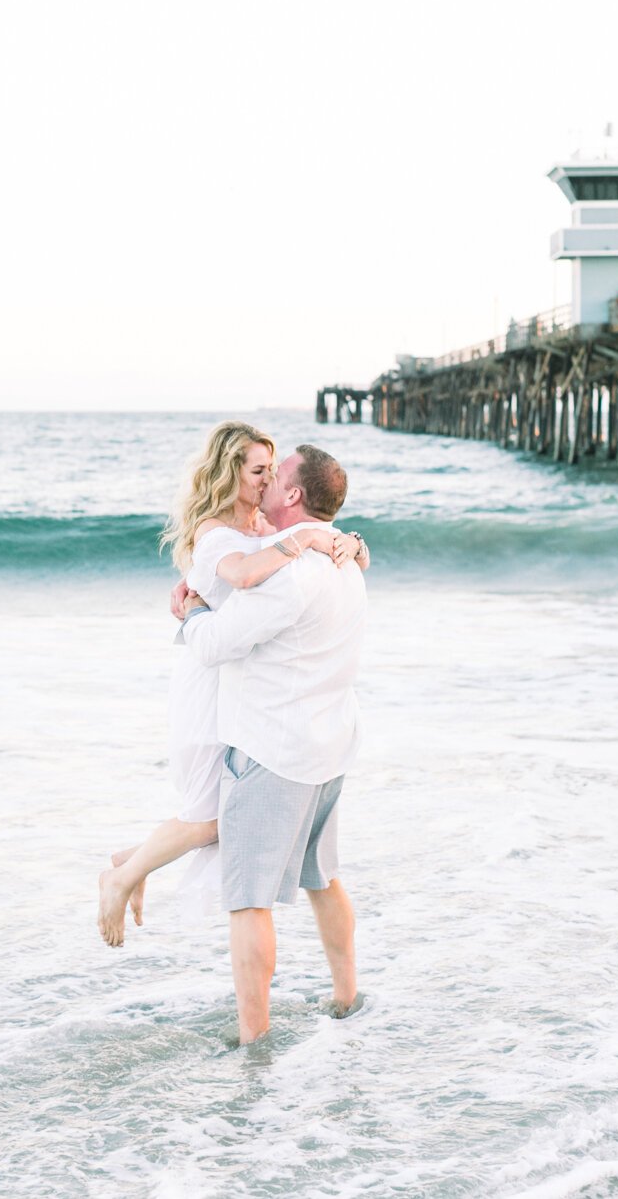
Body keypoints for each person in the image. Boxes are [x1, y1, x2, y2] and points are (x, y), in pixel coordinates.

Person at [97, 422, 367, 948]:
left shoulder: (264, 523)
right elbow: (243, 574)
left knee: (221, 814)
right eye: (257, 470)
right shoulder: (218, 531)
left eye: (272, 469)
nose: (267, 480)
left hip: (246, 686)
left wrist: (347, 540)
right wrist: (305, 538)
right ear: (232, 474)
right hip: (212, 679)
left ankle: (131, 862)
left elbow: (309, 548)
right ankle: (122, 875)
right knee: (212, 816)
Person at [181, 444, 366, 1044]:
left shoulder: (292, 576)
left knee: (249, 901)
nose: (266, 483)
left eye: (276, 474)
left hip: (274, 753)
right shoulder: (346, 562)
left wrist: (192, 613)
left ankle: (252, 1040)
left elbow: (213, 645)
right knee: (323, 877)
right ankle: (347, 995)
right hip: (330, 747)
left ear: (292, 495)